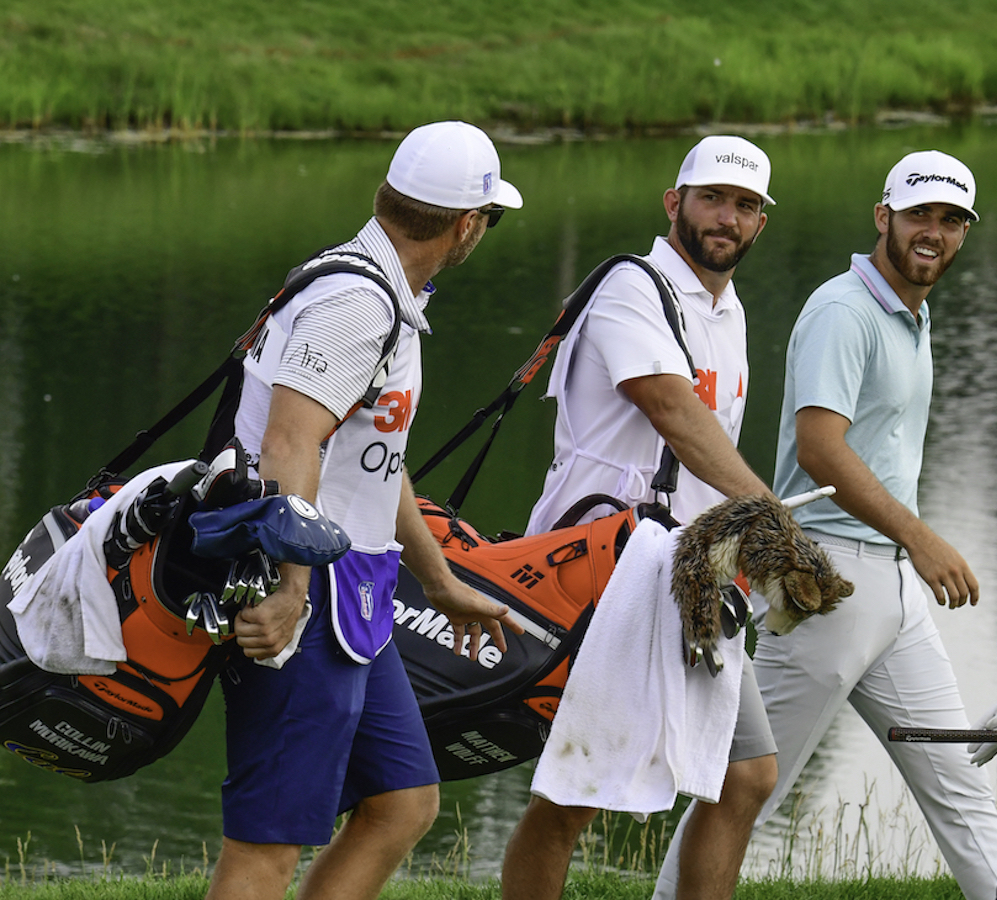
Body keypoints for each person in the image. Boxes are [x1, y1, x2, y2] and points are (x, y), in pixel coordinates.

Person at [657, 151, 997, 899]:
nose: (934, 233)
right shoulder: (842, 309)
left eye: (951, 221)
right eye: (920, 215)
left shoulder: (909, 311)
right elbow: (821, 448)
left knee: (959, 788)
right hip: (821, 585)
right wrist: (919, 536)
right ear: (883, 216)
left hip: (889, 593)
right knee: (745, 791)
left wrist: (905, 547)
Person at [205, 121, 526, 900]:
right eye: (489, 218)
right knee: (268, 844)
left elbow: (373, 462)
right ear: (466, 225)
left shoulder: (389, 295)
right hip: (305, 585)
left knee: (402, 802)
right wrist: (289, 592)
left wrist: (440, 580)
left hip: (354, 592)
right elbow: (289, 446)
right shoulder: (357, 303)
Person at [502, 135, 778, 900]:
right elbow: (669, 407)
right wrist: (766, 515)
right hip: (607, 572)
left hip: (690, 575)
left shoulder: (728, 309)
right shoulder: (633, 285)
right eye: (712, 198)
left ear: (760, 223)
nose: (727, 217)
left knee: (746, 776)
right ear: (674, 203)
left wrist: (741, 542)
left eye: (745, 205)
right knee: (572, 799)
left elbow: (706, 449)